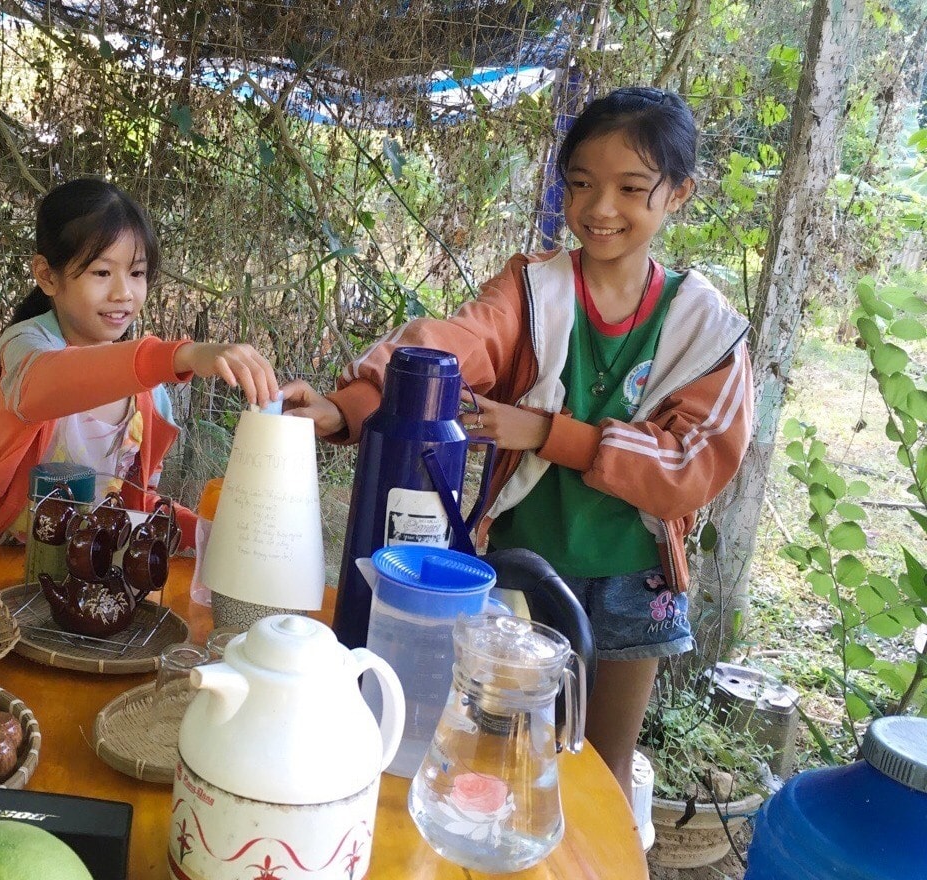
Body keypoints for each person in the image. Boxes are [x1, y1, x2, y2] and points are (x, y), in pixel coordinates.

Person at [284, 87, 753, 794]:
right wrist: (346, 405)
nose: (600, 209)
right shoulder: (533, 290)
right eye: (582, 185)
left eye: (630, 188)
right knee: (498, 758)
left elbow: (690, 469)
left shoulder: (706, 329)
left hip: (635, 582)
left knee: (603, 767)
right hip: (520, 572)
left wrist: (546, 433)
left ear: (678, 194)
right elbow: (447, 346)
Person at [0, 178, 279, 554]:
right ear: (48, 275)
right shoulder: (25, 349)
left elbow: (136, 502)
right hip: (10, 562)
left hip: (97, 567)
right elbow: (47, 384)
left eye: (137, 273)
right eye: (101, 272)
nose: (123, 293)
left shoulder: (150, 393)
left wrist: (205, 535)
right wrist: (180, 355)